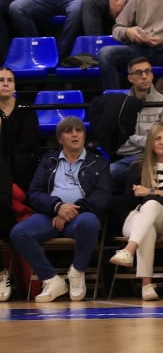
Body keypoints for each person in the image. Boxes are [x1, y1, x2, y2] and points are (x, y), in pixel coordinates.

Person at [10, 116, 109, 302]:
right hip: (50, 215)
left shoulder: (99, 163)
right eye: (68, 131)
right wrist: (58, 207)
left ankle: (77, 271)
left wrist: (71, 211)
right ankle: (51, 279)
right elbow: (35, 193)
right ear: (59, 139)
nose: (74, 134)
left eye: (78, 130)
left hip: (81, 216)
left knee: (90, 222)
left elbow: (102, 197)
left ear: (84, 135)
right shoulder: (48, 161)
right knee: (19, 233)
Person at [111, 121, 163, 300]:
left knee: (151, 205)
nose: (162, 142)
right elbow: (130, 199)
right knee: (148, 226)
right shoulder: (136, 167)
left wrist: (150, 192)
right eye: (157, 138)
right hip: (136, 219)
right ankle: (147, 286)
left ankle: (129, 250)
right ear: (151, 143)